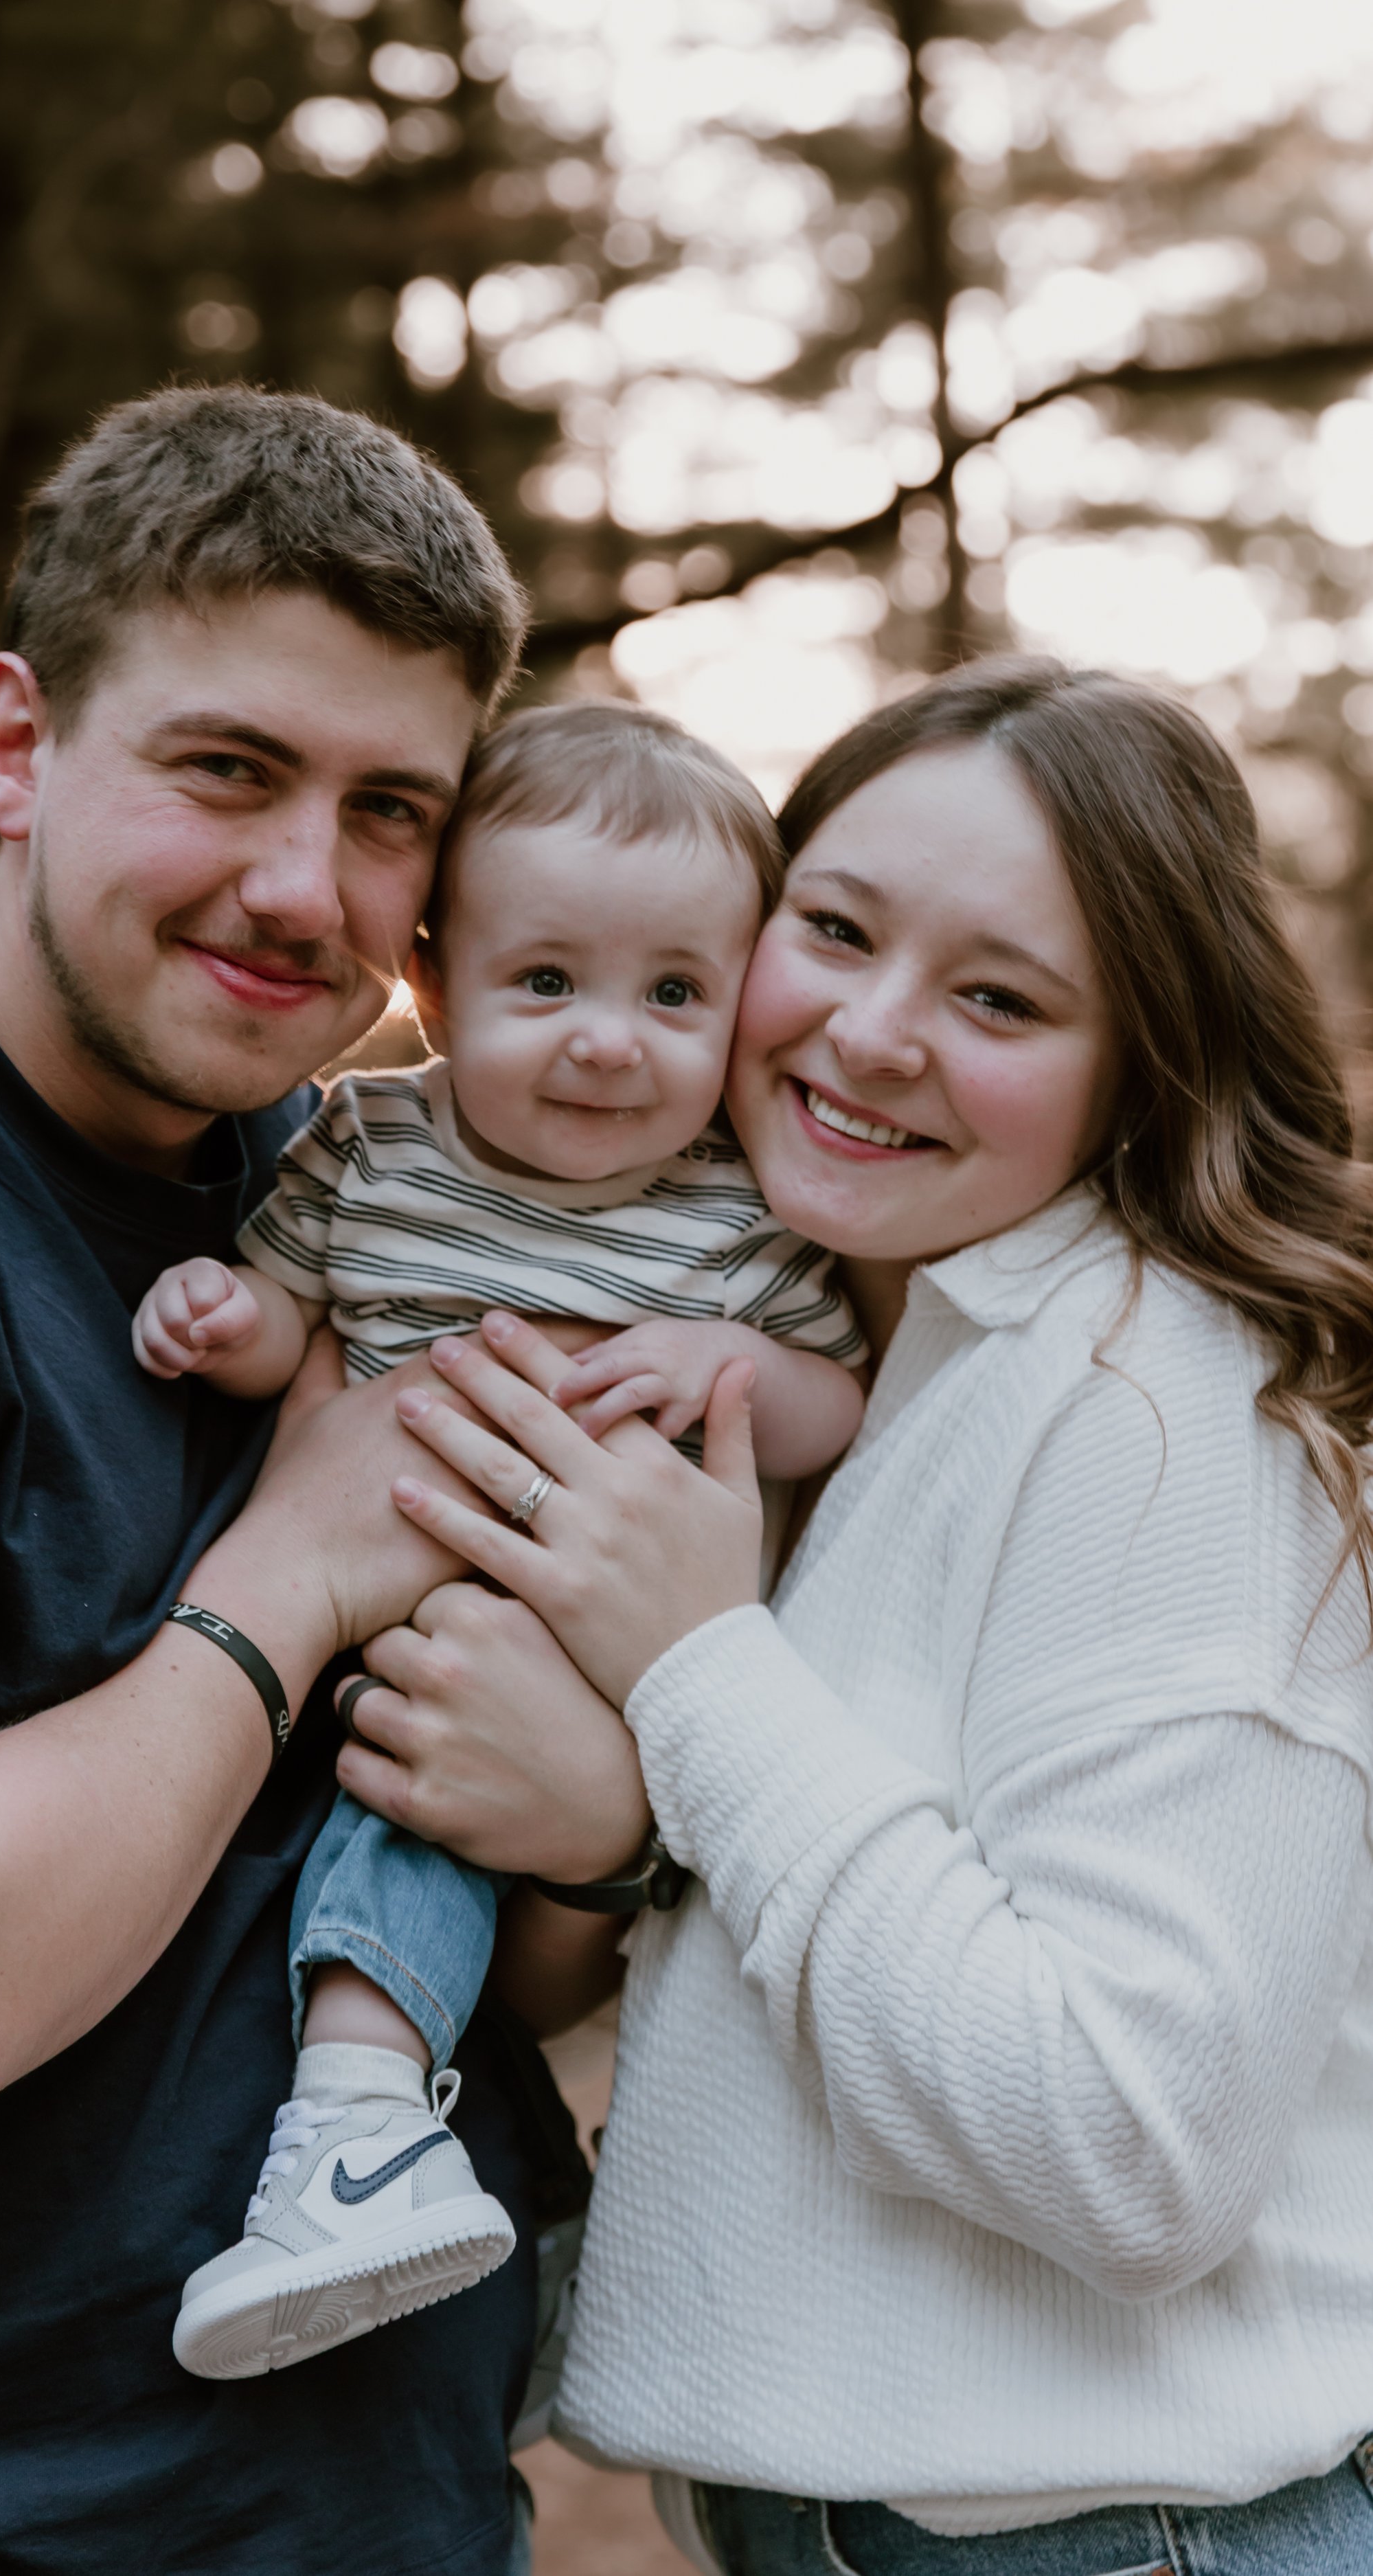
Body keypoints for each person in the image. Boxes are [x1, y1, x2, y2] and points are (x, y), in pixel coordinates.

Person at [0, 383, 646, 2576]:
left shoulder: (358, 1207)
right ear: (17, 745)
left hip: (388, 2512)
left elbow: (494, 1942)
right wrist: (287, 1568)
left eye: (391, 809)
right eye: (226, 769)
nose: (306, 887)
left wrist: (593, 1815)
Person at [337, 659, 1373, 2573]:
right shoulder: (869, 1360)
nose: (870, 1031)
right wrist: (622, 1820)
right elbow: (793, 1925)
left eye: (997, 997)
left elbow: (1128, 2137)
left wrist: (695, 1669)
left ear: (1136, 1060)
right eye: (833, 930)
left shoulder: (1155, 1406)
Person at [133, 699, 865, 2382]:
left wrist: (732, 1365)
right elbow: (283, 1310)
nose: (611, 1044)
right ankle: (453, 2191)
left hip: (569, 1652)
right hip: (365, 1615)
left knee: (422, 1816)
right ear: (434, 983)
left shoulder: (733, 1215)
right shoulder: (368, 1143)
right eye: (547, 985)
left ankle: (358, 2122)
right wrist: (216, 1315)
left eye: (673, 995)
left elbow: (836, 1403)